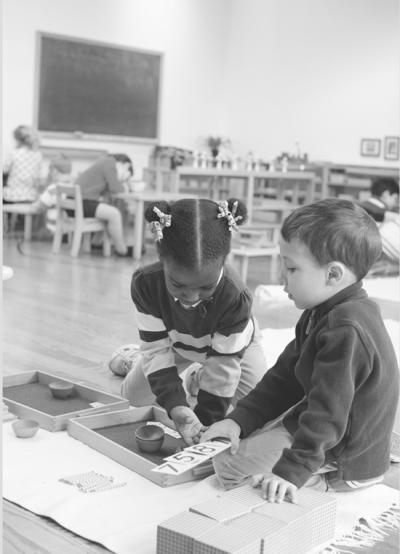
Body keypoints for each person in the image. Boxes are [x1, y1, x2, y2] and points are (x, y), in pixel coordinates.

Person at [201, 198, 399, 502]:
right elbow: (284, 378)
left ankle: (320, 487)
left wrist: (291, 471)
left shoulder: (346, 328)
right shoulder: (320, 311)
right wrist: (238, 420)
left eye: (292, 269)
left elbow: (328, 412)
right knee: (239, 440)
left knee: (228, 465)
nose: (282, 278)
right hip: (326, 430)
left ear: (333, 275)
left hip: (347, 459)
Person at [109, 198, 267, 444]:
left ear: (224, 261)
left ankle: (196, 377)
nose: (191, 298)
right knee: (133, 399)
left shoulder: (235, 296)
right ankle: (132, 358)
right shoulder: (145, 283)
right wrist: (176, 407)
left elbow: (224, 366)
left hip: (234, 351)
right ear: (162, 260)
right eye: (178, 285)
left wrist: (205, 421)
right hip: (176, 344)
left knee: (260, 413)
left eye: (205, 287)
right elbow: (157, 348)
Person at [75, 153, 133, 256]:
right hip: (83, 203)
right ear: (126, 165)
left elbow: (109, 191)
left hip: (76, 202)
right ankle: (122, 250)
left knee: (108, 210)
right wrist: (124, 182)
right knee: (114, 214)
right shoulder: (110, 164)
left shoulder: (104, 162)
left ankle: (97, 242)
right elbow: (116, 189)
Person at [361, 178, 399, 265]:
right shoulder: (391, 217)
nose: (394, 204)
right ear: (385, 194)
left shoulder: (354, 208)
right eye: (395, 199)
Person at [3, 125, 42, 203]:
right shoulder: (38, 155)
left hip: (12, 195)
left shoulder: (14, 153)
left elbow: (4, 170)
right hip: (31, 195)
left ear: (17, 140)